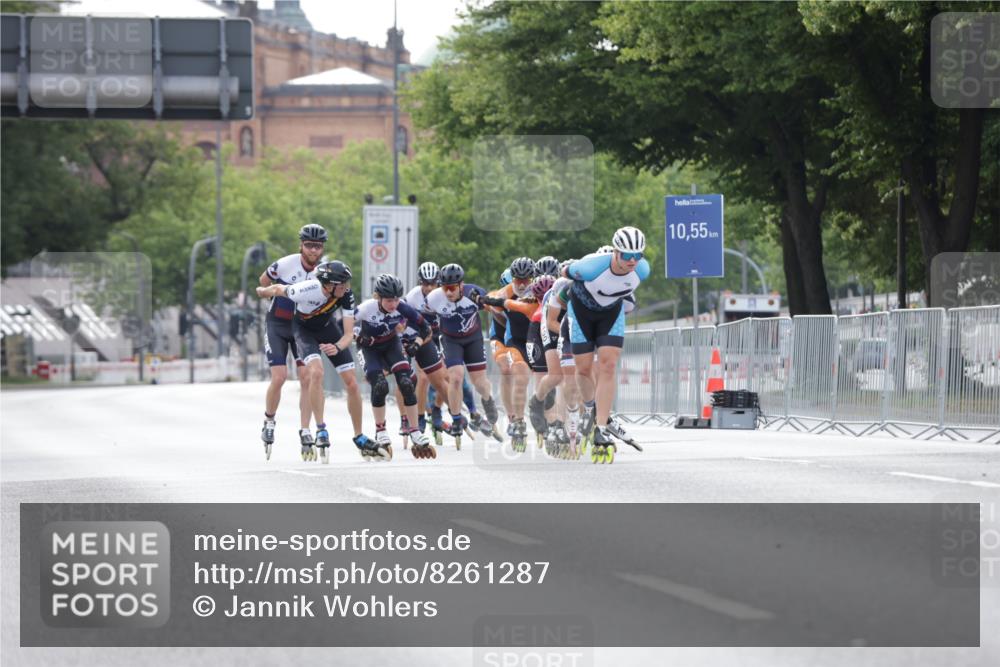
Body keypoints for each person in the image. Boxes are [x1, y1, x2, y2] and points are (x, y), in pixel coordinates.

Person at [256, 260, 380, 462]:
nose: (346, 287)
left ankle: (359, 436)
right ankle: (320, 429)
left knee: (352, 383)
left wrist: (338, 346)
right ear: (328, 285)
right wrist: (262, 291)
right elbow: (279, 289)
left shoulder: (346, 295)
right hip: (303, 331)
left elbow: (348, 333)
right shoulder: (306, 289)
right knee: (316, 372)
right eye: (341, 284)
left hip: (327, 329)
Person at [563, 227, 650, 463]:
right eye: (626, 256)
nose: (632, 261)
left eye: (638, 255)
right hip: (581, 313)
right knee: (582, 369)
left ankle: (600, 427)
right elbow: (564, 270)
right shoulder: (591, 267)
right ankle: (590, 408)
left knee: (608, 366)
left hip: (611, 314)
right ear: (615, 252)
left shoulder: (643, 270)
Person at [256, 223, 325, 460]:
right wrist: (274, 291)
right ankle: (269, 419)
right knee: (280, 377)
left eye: (317, 246)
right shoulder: (286, 263)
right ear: (301, 245)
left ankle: (305, 430)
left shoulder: (324, 271)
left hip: (301, 327)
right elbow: (263, 282)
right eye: (309, 245)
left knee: (306, 377)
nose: (313, 251)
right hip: (277, 324)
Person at [354, 274, 435, 459]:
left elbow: (426, 328)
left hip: (391, 345)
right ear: (378, 297)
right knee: (380, 385)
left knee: (406, 383)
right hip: (369, 350)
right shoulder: (366, 308)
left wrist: (417, 344)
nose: (393, 304)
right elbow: (342, 325)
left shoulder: (401, 307)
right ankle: (381, 431)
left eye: (396, 299)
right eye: (389, 300)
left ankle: (415, 431)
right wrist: (357, 337)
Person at [425, 263, 502, 440]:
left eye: (452, 288)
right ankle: (457, 418)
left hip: (473, 339)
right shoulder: (434, 298)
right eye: (444, 288)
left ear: (461, 285)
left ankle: (488, 400)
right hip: (450, 340)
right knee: (456, 377)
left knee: (480, 383)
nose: (449, 292)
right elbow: (424, 318)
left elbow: (495, 308)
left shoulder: (474, 293)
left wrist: (484, 302)